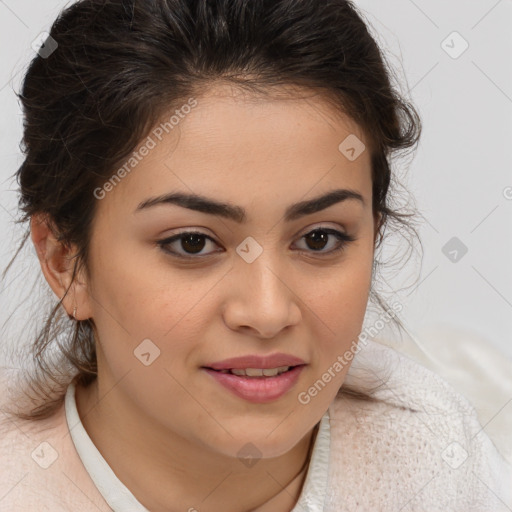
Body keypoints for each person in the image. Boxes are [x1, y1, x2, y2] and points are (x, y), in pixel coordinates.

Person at [0, 0, 510, 510]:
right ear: (66, 263)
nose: (268, 312)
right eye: (192, 243)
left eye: (319, 239)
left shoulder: (438, 459)